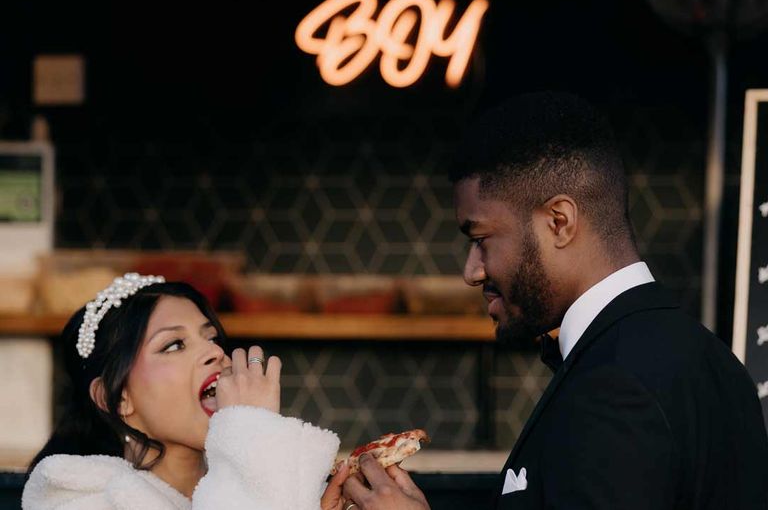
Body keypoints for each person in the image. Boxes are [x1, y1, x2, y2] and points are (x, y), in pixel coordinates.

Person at [341, 91, 768, 510]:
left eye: (481, 239)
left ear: (559, 222)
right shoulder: (713, 361)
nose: (471, 272)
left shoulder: (615, 387)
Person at [23, 273, 349, 510]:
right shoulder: (82, 498)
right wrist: (253, 430)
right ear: (117, 396)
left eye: (211, 338)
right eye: (174, 344)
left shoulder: (282, 484)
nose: (214, 352)